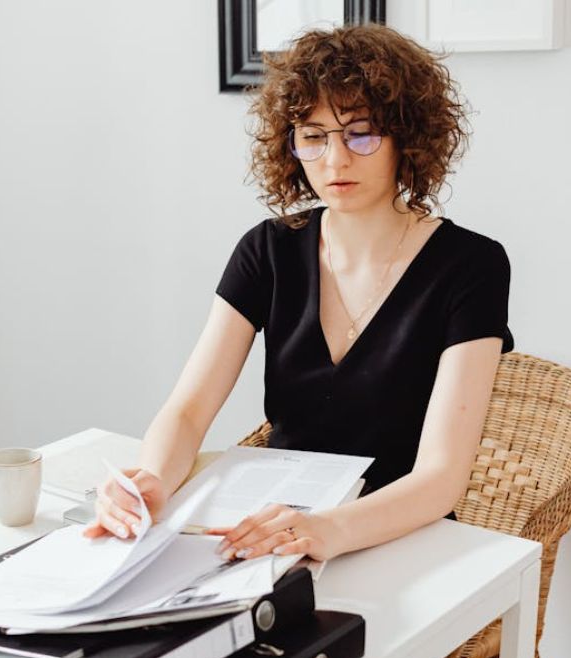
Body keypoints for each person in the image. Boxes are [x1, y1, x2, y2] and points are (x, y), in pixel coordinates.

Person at [84, 23, 513, 563]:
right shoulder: (267, 251)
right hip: (274, 524)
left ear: (407, 137)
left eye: (361, 133)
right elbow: (189, 411)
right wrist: (151, 480)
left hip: (398, 534)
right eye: (313, 136)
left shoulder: (470, 265)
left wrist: (327, 531)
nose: (335, 161)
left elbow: (439, 478)